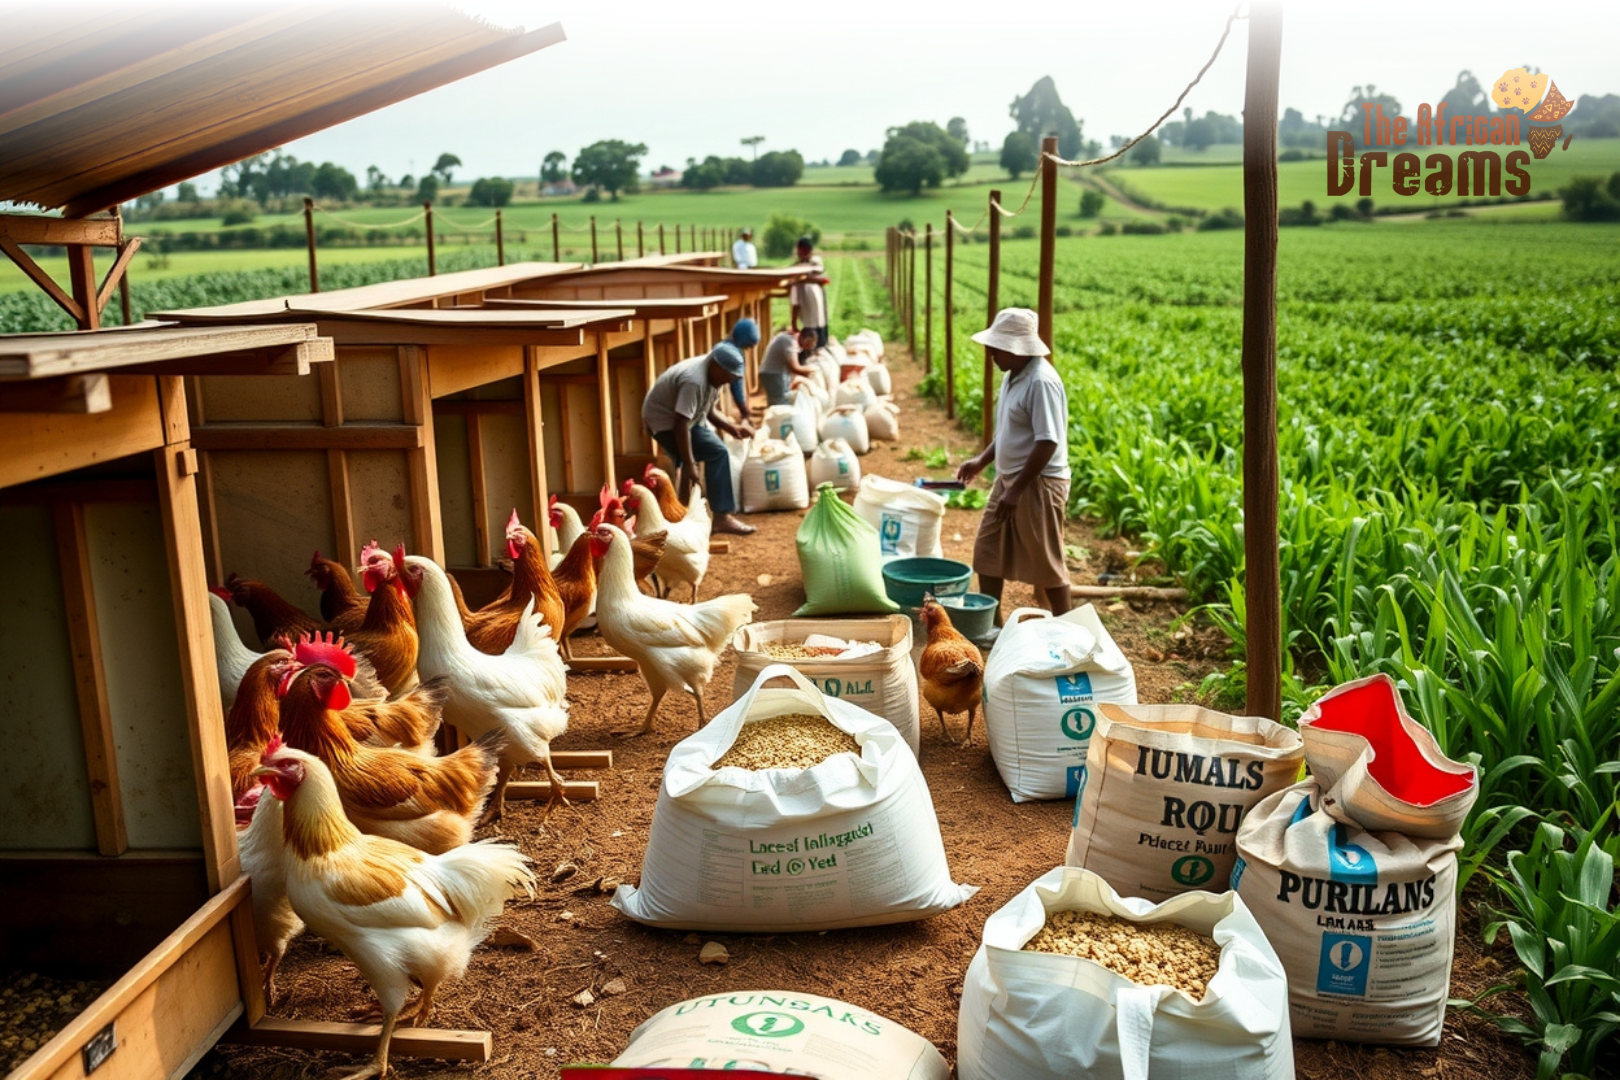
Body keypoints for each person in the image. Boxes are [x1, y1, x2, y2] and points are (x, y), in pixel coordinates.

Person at [955, 307, 1072, 622]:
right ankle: (993, 625)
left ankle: (1067, 630)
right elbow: (1011, 433)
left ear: (1019, 349)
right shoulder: (1012, 376)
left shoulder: (1041, 382)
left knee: (1047, 563)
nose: (991, 353)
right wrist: (981, 460)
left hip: (1038, 484)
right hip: (1011, 480)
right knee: (987, 553)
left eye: (998, 347)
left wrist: (1016, 490)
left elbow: (1047, 442)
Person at [642, 339, 757, 536]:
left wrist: (732, 428)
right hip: (664, 422)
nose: (731, 380)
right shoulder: (694, 381)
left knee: (711, 454)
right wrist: (689, 462)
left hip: (687, 421)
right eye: (730, 375)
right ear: (717, 366)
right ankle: (692, 521)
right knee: (696, 459)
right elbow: (679, 424)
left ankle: (708, 518)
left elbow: (706, 409)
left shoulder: (715, 376)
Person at [759, 326, 821, 406]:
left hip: (774, 373)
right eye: (809, 343)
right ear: (804, 339)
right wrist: (812, 369)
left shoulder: (792, 341)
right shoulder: (790, 342)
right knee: (780, 403)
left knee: (779, 400)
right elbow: (795, 368)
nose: (808, 348)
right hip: (773, 374)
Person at [789, 237, 829, 349]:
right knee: (815, 347)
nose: (800, 254)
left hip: (816, 321)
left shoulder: (815, 263)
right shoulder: (799, 278)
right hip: (810, 322)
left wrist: (793, 323)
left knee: (815, 347)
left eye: (802, 251)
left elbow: (795, 304)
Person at [721, 317, 761, 423]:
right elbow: (736, 385)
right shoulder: (733, 355)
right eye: (749, 344)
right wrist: (744, 410)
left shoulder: (724, 345)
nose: (750, 349)